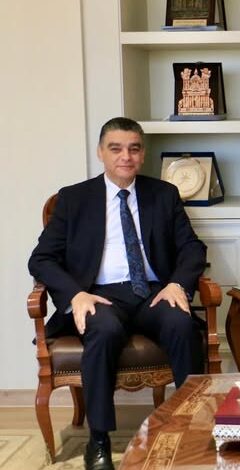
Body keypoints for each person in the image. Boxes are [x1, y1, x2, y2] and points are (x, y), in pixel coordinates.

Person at [28, 117, 207, 470]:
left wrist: (177, 284)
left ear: (142, 153)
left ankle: (190, 427)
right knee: (105, 330)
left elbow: (192, 248)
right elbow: (41, 259)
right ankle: (99, 440)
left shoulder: (163, 194)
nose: (126, 156)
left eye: (134, 149)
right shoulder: (74, 198)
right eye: (116, 148)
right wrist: (75, 295)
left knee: (181, 324)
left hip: (153, 293)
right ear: (101, 152)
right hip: (99, 295)